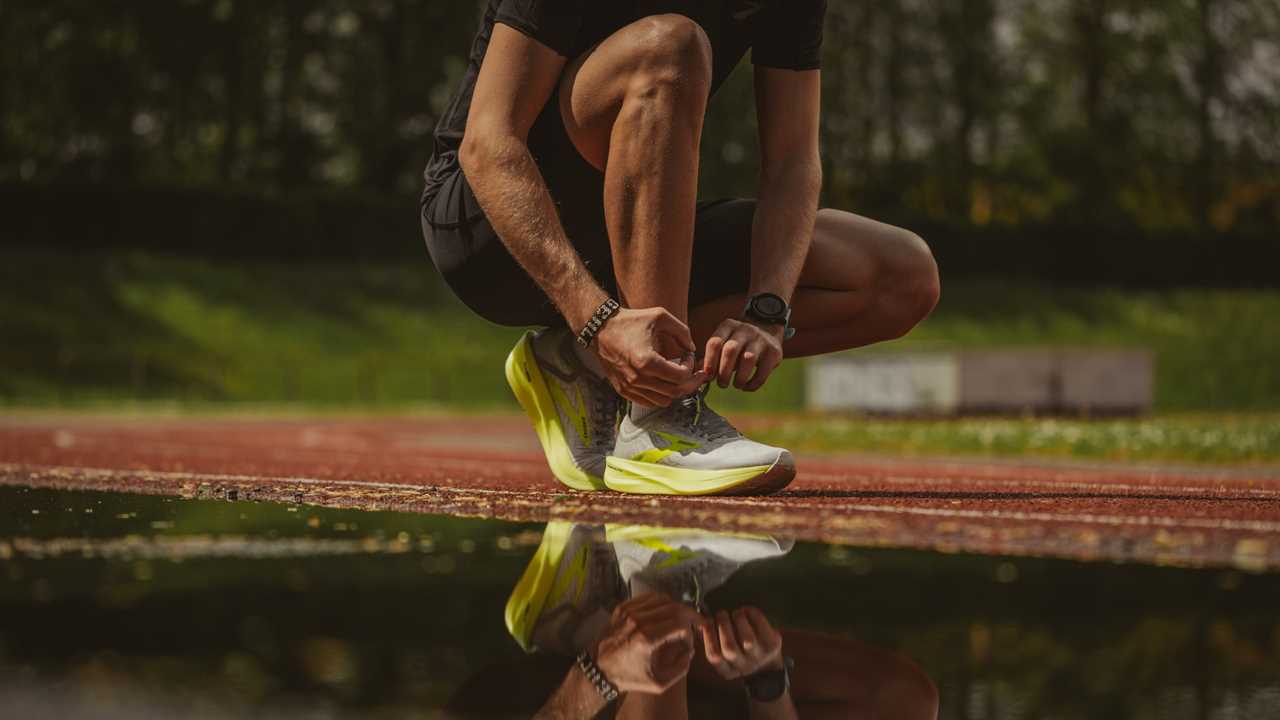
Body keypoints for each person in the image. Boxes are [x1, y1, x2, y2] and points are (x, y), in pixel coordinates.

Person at [420, 1, 940, 496]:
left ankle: (584, 364)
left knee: (899, 274)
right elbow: (488, 145)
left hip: (628, 233)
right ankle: (660, 420)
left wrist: (767, 308)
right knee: (671, 46)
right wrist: (595, 317)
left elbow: (793, 161)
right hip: (489, 230)